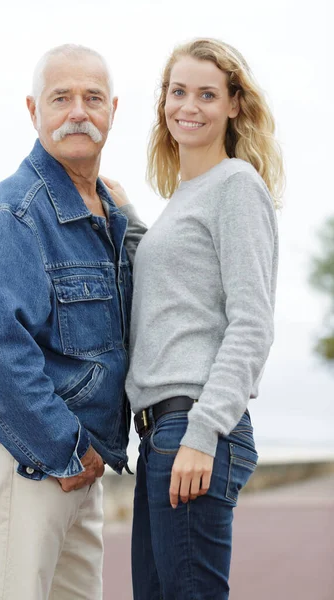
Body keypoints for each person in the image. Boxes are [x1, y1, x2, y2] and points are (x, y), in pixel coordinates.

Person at [0, 43, 146, 600]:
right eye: (62, 98)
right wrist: (64, 449)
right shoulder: (16, 210)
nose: (78, 111)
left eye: (92, 98)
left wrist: (83, 455)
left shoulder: (103, 211)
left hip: (76, 461)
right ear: (34, 110)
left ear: (113, 110)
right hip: (24, 456)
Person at [125, 38, 284, 599]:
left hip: (195, 426)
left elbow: (251, 324)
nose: (187, 106)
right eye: (178, 91)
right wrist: (124, 214)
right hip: (162, 434)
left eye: (207, 94)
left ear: (235, 104)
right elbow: (177, 291)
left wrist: (203, 430)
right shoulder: (185, 196)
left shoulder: (236, 186)